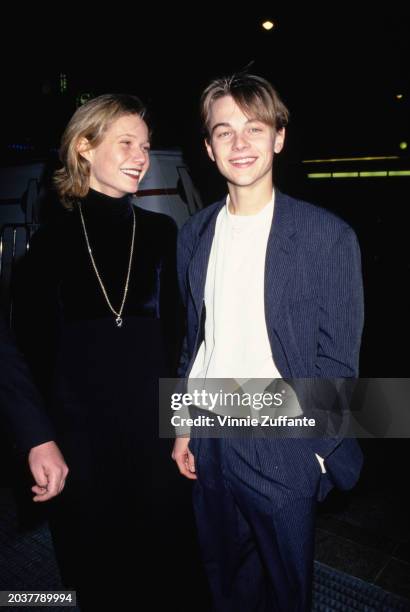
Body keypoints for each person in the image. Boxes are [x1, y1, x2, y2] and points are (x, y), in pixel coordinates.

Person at [172, 73, 364, 611]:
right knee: (225, 585)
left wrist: (316, 456)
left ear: (278, 137)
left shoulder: (328, 236)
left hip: (285, 441)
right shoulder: (195, 234)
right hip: (210, 433)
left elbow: (337, 361)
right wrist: (182, 424)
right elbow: (196, 342)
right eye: (224, 131)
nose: (240, 143)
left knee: (285, 593)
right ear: (208, 149)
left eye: (254, 128)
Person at [12, 94, 181, 609]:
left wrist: (184, 425)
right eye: (126, 142)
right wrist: (38, 439)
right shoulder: (48, 244)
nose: (141, 156)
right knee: (96, 574)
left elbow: (182, 344)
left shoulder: (162, 233)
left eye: (146, 146)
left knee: (165, 573)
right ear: (84, 147)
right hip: (80, 446)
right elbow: (19, 352)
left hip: (156, 443)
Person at [0, 311, 68, 502]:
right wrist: (39, 438)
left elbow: (161, 343)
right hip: (75, 416)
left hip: (152, 415)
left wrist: (162, 428)